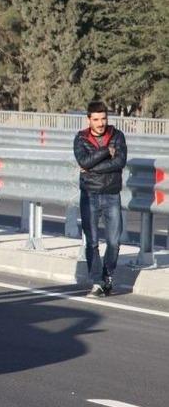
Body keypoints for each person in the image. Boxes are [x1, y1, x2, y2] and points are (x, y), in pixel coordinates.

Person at [73, 101, 127, 298]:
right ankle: (97, 283)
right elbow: (83, 161)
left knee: (114, 241)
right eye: (96, 119)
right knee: (92, 242)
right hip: (90, 195)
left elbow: (120, 161)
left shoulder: (117, 136)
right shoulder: (81, 138)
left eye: (103, 118)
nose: (101, 123)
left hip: (112, 193)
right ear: (89, 120)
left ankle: (107, 276)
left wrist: (92, 168)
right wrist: (105, 152)